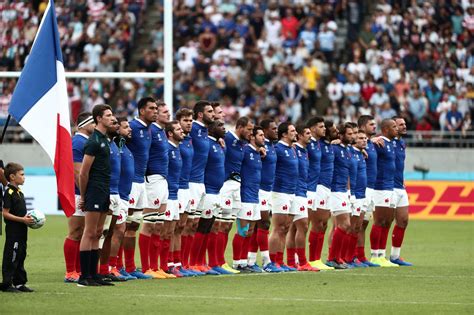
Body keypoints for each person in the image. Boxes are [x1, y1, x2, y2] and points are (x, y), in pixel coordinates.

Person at [78, 104, 116, 286]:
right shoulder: (93, 141)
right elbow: (83, 172)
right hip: (94, 190)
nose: (112, 118)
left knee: (99, 232)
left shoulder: (105, 140)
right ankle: (84, 276)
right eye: (108, 115)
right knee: (90, 232)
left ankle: (94, 274)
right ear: (99, 119)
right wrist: (84, 197)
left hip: (104, 190)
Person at [122, 97, 157, 280]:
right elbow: (119, 146)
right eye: (151, 108)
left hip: (141, 181)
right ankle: (117, 265)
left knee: (134, 224)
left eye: (156, 108)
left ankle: (130, 266)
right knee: (123, 225)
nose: (155, 111)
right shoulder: (132, 127)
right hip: (130, 183)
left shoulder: (148, 130)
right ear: (142, 111)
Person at [189, 120, 227, 275]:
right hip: (208, 190)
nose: (223, 128)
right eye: (220, 126)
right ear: (211, 129)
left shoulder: (219, 145)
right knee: (201, 226)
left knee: (208, 226)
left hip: (217, 191)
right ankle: (193, 262)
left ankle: (201, 262)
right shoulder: (208, 145)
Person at [142, 101, 174, 279]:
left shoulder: (161, 132)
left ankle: (156, 267)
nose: (168, 114)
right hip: (152, 179)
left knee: (159, 225)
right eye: (164, 112)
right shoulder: (151, 131)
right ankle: (147, 267)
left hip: (163, 180)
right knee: (149, 224)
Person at [64, 112, 95, 283]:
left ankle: (78, 269)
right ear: (83, 124)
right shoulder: (78, 142)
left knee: (83, 232)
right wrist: (84, 195)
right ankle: (70, 271)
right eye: (92, 122)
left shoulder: (86, 142)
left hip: (83, 192)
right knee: (75, 231)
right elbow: (77, 172)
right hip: (78, 193)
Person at [219, 117, 253, 273]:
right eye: (249, 129)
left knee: (228, 225)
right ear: (240, 127)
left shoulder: (242, 143)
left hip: (237, 185)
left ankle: (226, 262)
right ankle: (218, 262)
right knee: (220, 224)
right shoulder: (227, 137)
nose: (251, 133)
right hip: (225, 184)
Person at [188, 101, 216, 274]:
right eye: (210, 111)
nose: (213, 114)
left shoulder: (205, 131)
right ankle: (181, 263)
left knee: (195, 224)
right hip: (189, 182)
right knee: (185, 225)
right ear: (200, 114)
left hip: (200, 182)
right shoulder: (192, 129)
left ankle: (194, 263)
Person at [286, 125, 319, 272]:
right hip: (295, 192)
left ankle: (292, 262)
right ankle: (302, 261)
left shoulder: (305, 150)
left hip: (303, 191)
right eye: (307, 133)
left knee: (294, 228)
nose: (310, 136)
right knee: (303, 226)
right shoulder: (293, 149)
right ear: (299, 136)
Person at [232, 126, 265, 273]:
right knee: (242, 230)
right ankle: (236, 262)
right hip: (244, 196)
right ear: (252, 137)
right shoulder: (245, 150)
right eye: (261, 135)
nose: (263, 138)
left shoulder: (258, 153)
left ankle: (245, 262)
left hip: (255, 197)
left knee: (250, 231)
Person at [108, 118, 136, 280]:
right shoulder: (116, 146)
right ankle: (110, 267)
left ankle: (116, 266)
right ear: (117, 129)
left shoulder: (123, 146)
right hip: (116, 194)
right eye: (126, 127)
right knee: (115, 231)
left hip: (124, 195)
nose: (129, 129)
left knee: (120, 231)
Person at [267, 122, 298, 272]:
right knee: (278, 227)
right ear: (284, 134)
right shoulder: (277, 149)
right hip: (280, 192)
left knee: (285, 228)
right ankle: (271, 262)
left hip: (292, 192)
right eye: (292, 131)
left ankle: (280, 260)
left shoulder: (292, 149)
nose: (295, 133)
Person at [97, 117, 125, 281]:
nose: (117, 126)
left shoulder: (114, 143)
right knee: (100, 233)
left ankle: (104, 270)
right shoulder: (102, 144)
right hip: (106, 192)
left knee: (110, 234)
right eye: (114, 124)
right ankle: (93, 270)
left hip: (116, 193)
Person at [369, 119, 399, 268]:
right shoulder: (378, 143)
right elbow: (364, 147)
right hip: (379, 187)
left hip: (390, 187)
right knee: (379, 221)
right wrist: (371, 140)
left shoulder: (391, 144)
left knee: (387, 222)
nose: (397, 129)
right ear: (386, 129)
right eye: (394, 127)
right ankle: (375, 255)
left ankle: (382, 254)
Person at [248, 119, 277, 271]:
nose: (276, 130)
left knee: (258, 225)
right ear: (265, 131)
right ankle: (266, 261)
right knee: (263, 223)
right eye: (273, 128)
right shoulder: (260, 145)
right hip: (258, 189)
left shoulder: (272, 146)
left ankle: (251, 260)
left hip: (268, 190)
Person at [308, 120, 338, 270]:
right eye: (322, 127)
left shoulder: (327, 145)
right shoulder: (310, 143)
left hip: (327, 188)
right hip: (317, 186)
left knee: (324, 224)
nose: (325, 130)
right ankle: (312, 259)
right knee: (317, 223)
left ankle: (317, 259)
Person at [0, 163, 35, 293]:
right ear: (12, 177)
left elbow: (20, 212)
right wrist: (22, 220)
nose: (24, 177)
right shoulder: (8, 192)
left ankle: (19, 283)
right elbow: (5, 213)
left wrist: (30, 219)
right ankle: (7, 284)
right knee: (12, 255)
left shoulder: (19, 192)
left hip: (22, 230)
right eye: (22, 175)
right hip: (13, 231)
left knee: (21, 254)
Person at [326, 122, 355, 269]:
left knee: (344, 226)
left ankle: (337, 257)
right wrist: (331, 143)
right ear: (341, 135)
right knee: (344, 225)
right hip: (335, 190)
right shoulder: (334, 148)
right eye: (349, 134)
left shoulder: (348, 150)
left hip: (343, 191)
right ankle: (332, 257)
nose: (352, 136)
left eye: (353, 134)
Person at [175, 108, 200, 275]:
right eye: (185, 121)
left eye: (191, 120)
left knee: (186, 225)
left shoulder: (189, 139)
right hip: (175, 187)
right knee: (173, 227)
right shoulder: (172, 139)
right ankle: (171, 263)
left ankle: (182, 263)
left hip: (187, 187)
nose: (189, 123)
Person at [164, 120, 188, 277]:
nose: (183, 131)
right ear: (170, 133)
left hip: (175, 193)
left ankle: (172, 263)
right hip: (166, 195)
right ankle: (164, 264)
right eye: (179, 129)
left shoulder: (177, 149)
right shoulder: (166, 149)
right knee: (164, 231)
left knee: (173, 230)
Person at [356, 115, 380, 267]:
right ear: (363, 127)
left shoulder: (371, 143)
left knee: (363, 224)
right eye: (371, 124)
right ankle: (351, 256)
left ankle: (361, 256)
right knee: (356, 224)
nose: (374, 127)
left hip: (371, 188)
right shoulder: (358, 145)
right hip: (361, 189)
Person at [390, 117, 413, 266]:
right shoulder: (383, 142)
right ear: (393, 127)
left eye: (405, 124)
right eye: (401, 125)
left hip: (400, 186)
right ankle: (375, 255)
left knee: (403, 220)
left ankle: (395, 256)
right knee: (383, 222)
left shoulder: (402, 143)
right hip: (387, 187)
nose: (405, 126)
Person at [345, 130, 368, 267]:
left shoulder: (361, 153)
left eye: (365, 138)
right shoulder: (349, 152)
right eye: (360, 138)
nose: (364, 140)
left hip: (362, 194)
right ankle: (343, 257)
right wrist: (349, 192)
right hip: (352, 194)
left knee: (357, 227)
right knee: (349, 227)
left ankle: (352, 257)